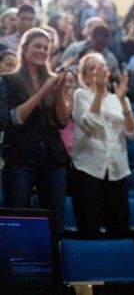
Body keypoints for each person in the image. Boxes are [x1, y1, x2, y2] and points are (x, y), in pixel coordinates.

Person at [1, 28, 70, 230]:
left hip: (52, 156)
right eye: (37, 46)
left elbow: (62, 121)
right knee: (17, 218)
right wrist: (42, 91)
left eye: (45, 48)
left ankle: (53, 259)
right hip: (20, 155)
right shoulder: (8, 80)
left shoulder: (52, 78)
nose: (41, 51)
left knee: (55, 220)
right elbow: (14, 118)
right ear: (24, 49)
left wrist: (60, 93)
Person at [71, 53, 134, 239]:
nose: (99, 71)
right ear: (84, 76)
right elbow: (89, 124)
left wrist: (124, 104)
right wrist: (99, 93)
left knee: (119, 229)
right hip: (88, 169)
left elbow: (132, 133)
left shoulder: (119, 97)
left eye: (102, 67)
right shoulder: (81, 95)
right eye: (93, 68)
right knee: (88, 227)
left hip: (117, 169)